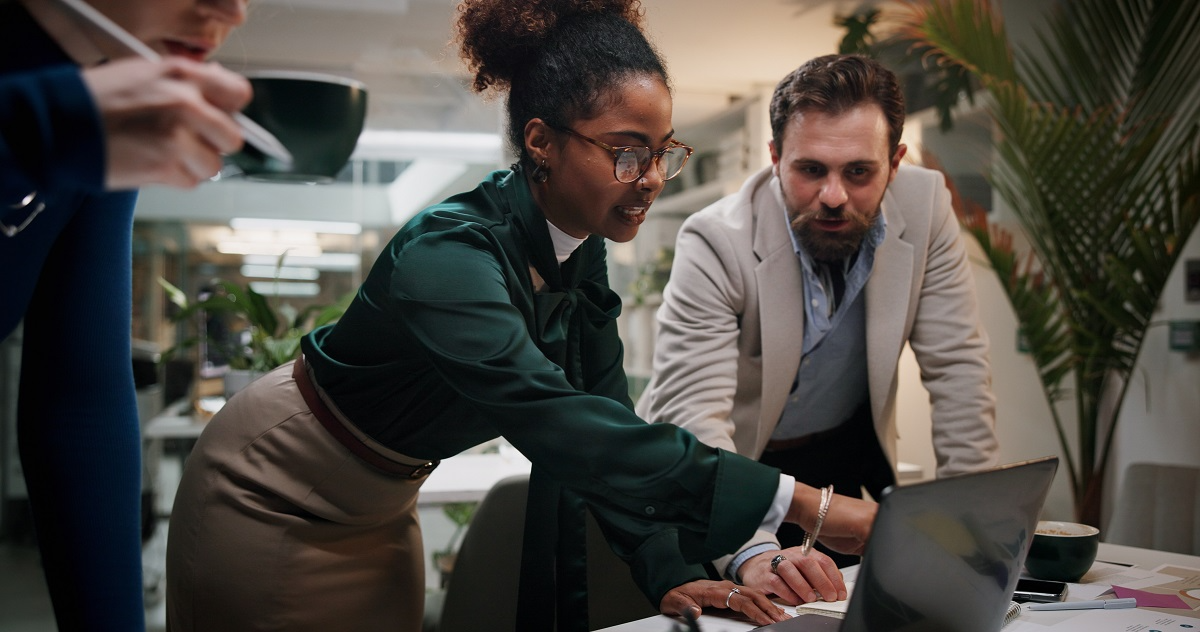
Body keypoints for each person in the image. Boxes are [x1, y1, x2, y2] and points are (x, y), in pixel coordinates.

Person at [164, 3, 878, 631]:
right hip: (277, 487)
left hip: (382, 500)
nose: (654, 178)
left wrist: (667, 568)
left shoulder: (579, 255)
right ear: (541, 141)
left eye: (661, 153)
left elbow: (601, 419)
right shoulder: (447, 251)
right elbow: (553, 419)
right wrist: (808, 504)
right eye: (628, 153)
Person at [636, 53, 1000, 602]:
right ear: (776, 157)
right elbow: (694, 418)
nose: (834, 196)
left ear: (895, 163)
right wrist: (751, 552)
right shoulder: (714, 241)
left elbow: (959, 373)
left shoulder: (926, 207)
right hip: (732, 468)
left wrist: (975, 527)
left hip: (840, 459)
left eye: (859, 172)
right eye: (811, 170)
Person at [0, 0, 251, 628]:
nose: (232, 10)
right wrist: (36, 128)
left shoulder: (97, 99)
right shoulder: (68, 113)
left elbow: (79, 398)